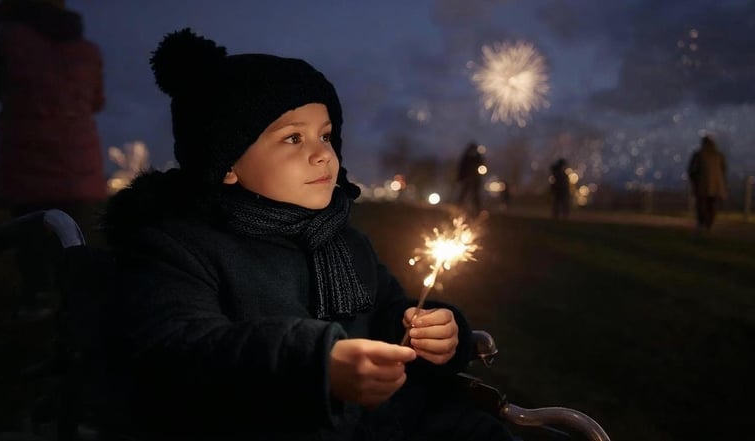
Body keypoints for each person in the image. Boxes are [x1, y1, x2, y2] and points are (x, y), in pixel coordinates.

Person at [98, 29, 514, 441]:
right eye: (293, 138)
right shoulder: (180, 247)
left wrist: (431, 334)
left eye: (326, 134)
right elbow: (180, 352)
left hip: (397, 422)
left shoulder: (343, 241)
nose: (322, 153)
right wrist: (315, 365)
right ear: (227, 162)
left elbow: (386, 311)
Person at [0, 0, 106, 318]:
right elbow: (97, 102)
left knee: (31, 229)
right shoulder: (88, 49)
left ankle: (37, 296)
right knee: (74, 234)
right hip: (79, 157)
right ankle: (75, 301)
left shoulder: (2, 37)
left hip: (27, 151)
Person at [687, 135, 728, 231]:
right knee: (712, 206)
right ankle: (709, 224)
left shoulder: (699, 155)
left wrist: (695, 181)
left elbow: (692, 171)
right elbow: (723, 170)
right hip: (716, 186)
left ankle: (703, 223)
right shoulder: (718, 155)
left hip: (703, 185)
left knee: (702, 205)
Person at [456, 141, 484, 216]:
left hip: (475, 179)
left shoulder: (478, 157)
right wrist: (461, 177)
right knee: (464, 193)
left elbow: (482, 167)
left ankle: (477, 209)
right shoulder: (466, 157)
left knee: (475, 194)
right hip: (467, 179)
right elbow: (462, 168)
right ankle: (459, 206)